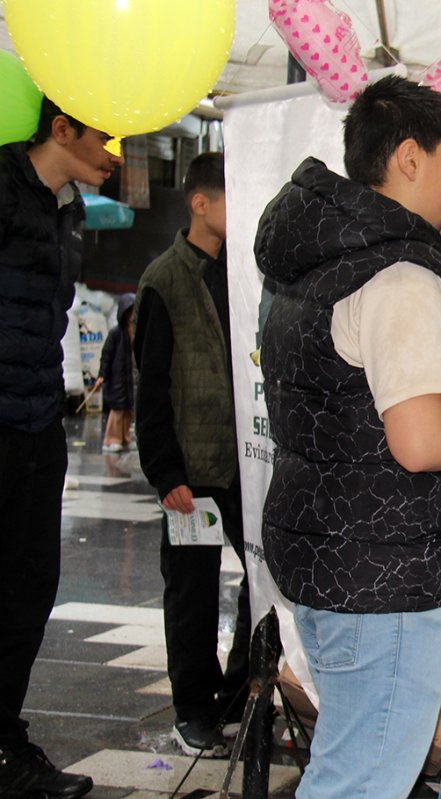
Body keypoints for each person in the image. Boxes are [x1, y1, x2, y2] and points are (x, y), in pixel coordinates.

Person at [254, 76, 441, 798]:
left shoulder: (313, 259)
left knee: (345, 763)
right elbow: (418, 442)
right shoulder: (401, 275)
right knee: (362, 780)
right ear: (409, 159)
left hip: (331, 556)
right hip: (389, 573)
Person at [0, 96, 120, 799]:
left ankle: (4, 737)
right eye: (105, 133)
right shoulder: (4, 185)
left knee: (30, 588)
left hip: (39, 422)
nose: (114, 149)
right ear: (62, 129)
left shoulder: (69, 211)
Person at [134, 152, 251, 758]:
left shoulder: (242, 276)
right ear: (199, 203)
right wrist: (165, 472)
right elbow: (148, 387)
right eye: (230, 196)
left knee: (263, 578)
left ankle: (236, 695)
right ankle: (193, 712)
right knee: (193, 592)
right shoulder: (165, 279)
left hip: (245, 467)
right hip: (192, 472)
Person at [97, 293, 135, 453]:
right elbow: (106, 355)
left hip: (127, 379)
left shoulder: (132, 332)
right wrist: (102, 375)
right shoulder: (116, 334)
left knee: (127, 411)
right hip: (117, 379)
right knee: (118, 411)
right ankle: (112, 438)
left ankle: (124, 437)